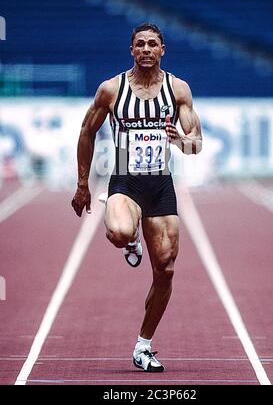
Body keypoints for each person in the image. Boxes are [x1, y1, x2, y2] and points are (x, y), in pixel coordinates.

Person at [71, 23, 202, 372]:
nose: (146, 49)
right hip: (125, 182)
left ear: (162, 50)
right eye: (140, 44)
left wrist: (177, 139)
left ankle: (143, 345)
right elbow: (87, 131)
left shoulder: (179, 90)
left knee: (166, 271)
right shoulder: (111, 89)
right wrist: (83, 183)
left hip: (160, 186)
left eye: (152, 44)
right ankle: (131, 239)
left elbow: (195, 145)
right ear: (132, 50)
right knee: (118, 233)